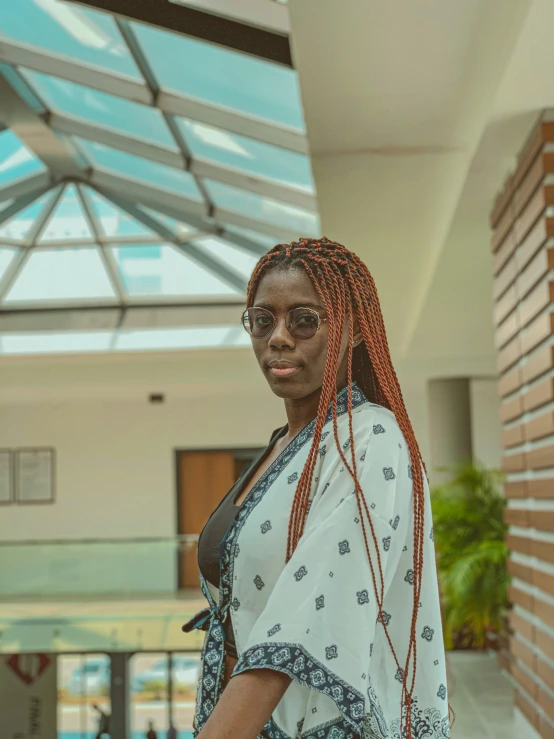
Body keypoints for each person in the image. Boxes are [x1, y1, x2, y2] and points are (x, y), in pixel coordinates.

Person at [184, 238, 450, 739]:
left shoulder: (369, 439)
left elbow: (299, 621)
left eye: (304, 319)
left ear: (352, 330)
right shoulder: (284, 446)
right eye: (262, 320)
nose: (278, 338)